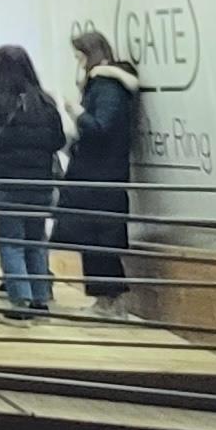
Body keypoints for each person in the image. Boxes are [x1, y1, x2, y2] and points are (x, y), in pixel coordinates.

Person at [0, 43, 68, 317]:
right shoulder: (44, 101)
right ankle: (41, 297)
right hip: (41, 182)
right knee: (36, 240)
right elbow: (58, 140)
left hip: (5, 183)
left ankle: (21, 300)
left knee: (11, 241)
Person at [55, 25, 145, 318]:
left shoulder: (106, 87)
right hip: (100, 175)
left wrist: (77, 113)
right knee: (95, 239)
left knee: (101, 241)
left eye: (79, 56)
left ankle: (111, 302)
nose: (78, 63)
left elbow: (100, 127)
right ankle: (105, 300)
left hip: (100, 176)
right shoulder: (107, 86)